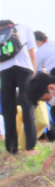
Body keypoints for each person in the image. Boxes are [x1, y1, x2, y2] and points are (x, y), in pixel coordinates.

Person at [0, 20, 39, 155]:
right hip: (24, 68)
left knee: (8, 111)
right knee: (27, 106)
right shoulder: (24, 28)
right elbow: (32, 52)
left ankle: (11, 150)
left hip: (4, 71)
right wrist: (34, 71)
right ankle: (30, 148)